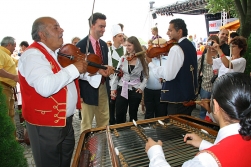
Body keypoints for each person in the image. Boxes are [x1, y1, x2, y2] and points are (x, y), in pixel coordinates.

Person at [18, 16, 88, 167]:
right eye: (56, 27)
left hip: (65, 122)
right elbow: (45, 87)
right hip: (45, 126)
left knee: (64, 162)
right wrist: (75, 68)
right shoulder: (33, 55)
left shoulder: (54, 54)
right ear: (42, 34)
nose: (61, 30)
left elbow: (64, 78)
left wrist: (91, 71)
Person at [145, 72, 251, 167]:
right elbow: (232, 153)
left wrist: (155, 153)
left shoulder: (205, 161)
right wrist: (204, 144)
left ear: (216, 106)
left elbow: (216, 159)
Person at [146, 18, 197, 116]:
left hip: (177, 100)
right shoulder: (190, 45)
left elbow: (168, 75)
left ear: (179, 31)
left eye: (170, 30)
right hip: (188, 96)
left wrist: (150, 64)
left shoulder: (176, 48)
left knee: (175, 130)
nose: (167, 33)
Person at [77, 12, 114, 133]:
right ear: (92, 26)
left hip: (103, 87)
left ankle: (102, 148)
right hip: (87, 90)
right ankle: (86, 151)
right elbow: (77, 73)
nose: (104, 29)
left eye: (104, 26)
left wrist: (107, 69)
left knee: (104, 121)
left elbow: (103, 66)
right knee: (87, 124)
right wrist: (79, 95)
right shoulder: (81, 45)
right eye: (101, 26)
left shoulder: (103, 45)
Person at [110, 36, 148, 124]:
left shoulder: (142, 60)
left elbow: (146, 76)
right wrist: (113, 88)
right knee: (119, 113)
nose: (127, 47)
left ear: (135, 45)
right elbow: (117, 74)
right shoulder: (123, 58)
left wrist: (141, 87)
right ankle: (120, 133)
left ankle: (132, 135)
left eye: (129, 45)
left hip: (135, 90)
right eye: (126, 45)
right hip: (122, 87)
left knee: (133, 115)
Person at [0, 36, 19, 139]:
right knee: (6, 115)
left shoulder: (7, 55)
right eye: (14, 46)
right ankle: (8, 140)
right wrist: (14, 77)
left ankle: (12, 139)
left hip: (8, 89)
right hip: (3, 88)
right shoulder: (0, 53)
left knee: (10, 114)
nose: (14, 49)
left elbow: (17, 62)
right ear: (9, 45)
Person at [197, 35, 219, 120]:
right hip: (205, 87)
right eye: (210, 42)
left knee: (216, 109)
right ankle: (203, 127)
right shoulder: (203, 56)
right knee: (203, 109)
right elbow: (197, 71)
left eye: (214, 43)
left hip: (217, 88)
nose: (212, 45)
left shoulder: (220, 56)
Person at [108, 24, 125, 125]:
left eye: (122, 36)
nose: (122, 38)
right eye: (119, 36)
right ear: (113, 38)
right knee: (111, 107)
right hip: (112, 83)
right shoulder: (108, 50)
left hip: (123, 84)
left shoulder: (125, 49)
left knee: (121, 109)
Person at [144, 38, 165, 119]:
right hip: (148, 90)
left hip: (161, 91)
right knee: (149, 113)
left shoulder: (166, 59)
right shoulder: (148, 58)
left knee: (160, 113)